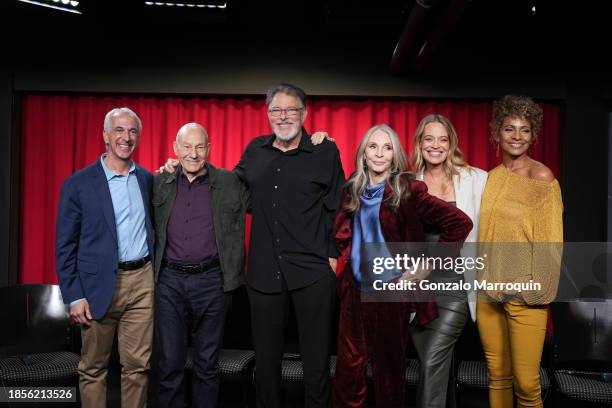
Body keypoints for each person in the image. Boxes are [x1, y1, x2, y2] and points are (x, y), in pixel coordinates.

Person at [160, 83, 344, 407]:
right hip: (263, 272)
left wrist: (331, 254)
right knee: (267, 364)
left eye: (291, 110)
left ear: (304, 113)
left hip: (312, 272)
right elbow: (223, 186)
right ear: (268, 114)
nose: (283, 116)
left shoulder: (324, 151)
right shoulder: (255, 150)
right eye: (276, 110)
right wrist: (176, 167)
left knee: (316, 363)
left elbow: (338, 205)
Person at [332, 124, 473, 408]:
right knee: (349, 376)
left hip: (391, 296)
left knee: (388, 377)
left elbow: (461, 223)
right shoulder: (351, 188)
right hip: (355, 295)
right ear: (363, 152)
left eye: (387, 148)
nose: (379, 154)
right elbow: (343, 234)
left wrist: (428, 265)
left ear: (395, 155)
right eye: (373, 146)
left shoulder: (408, 189)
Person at [56, 107, 154, 408]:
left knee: (138, 368)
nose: (126, 137)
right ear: (106, 136)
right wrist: (74, 295)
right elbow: (65, 245)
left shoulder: (147, 180)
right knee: (93, 369)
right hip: (96, 286)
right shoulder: (78, 184)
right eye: (119, 130)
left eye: (132, 131)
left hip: (142, 282)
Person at [152, 123, 248, 407]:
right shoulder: (159, 181)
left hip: (212, 282)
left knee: (207, 365)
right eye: (186, 146)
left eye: (199, 147)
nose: (193, 154)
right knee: (170, 363)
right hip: (169, 282)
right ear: (175, 148)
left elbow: (273, 199)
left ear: (209, 148)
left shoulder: (231, 182)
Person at [477, 95, 563, 408]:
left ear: (534, 135)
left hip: (525, 295)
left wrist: (535, 293)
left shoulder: (542, 177)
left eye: (524, 130)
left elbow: (551, 243)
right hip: (489, 293)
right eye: (509, 129)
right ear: (496, 133)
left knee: (527, 385)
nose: (516, 136)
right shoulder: (492, 177)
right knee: (497, 376)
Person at [408, 113, 488, 408]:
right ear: (419, 143)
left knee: (431, 362)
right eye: (429, 138)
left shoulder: (476, 179)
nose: (435, 145)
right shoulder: (407, 182)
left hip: (456, 284)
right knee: (436, 368)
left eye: (442, 139)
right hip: (417, 288)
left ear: (451, 144)